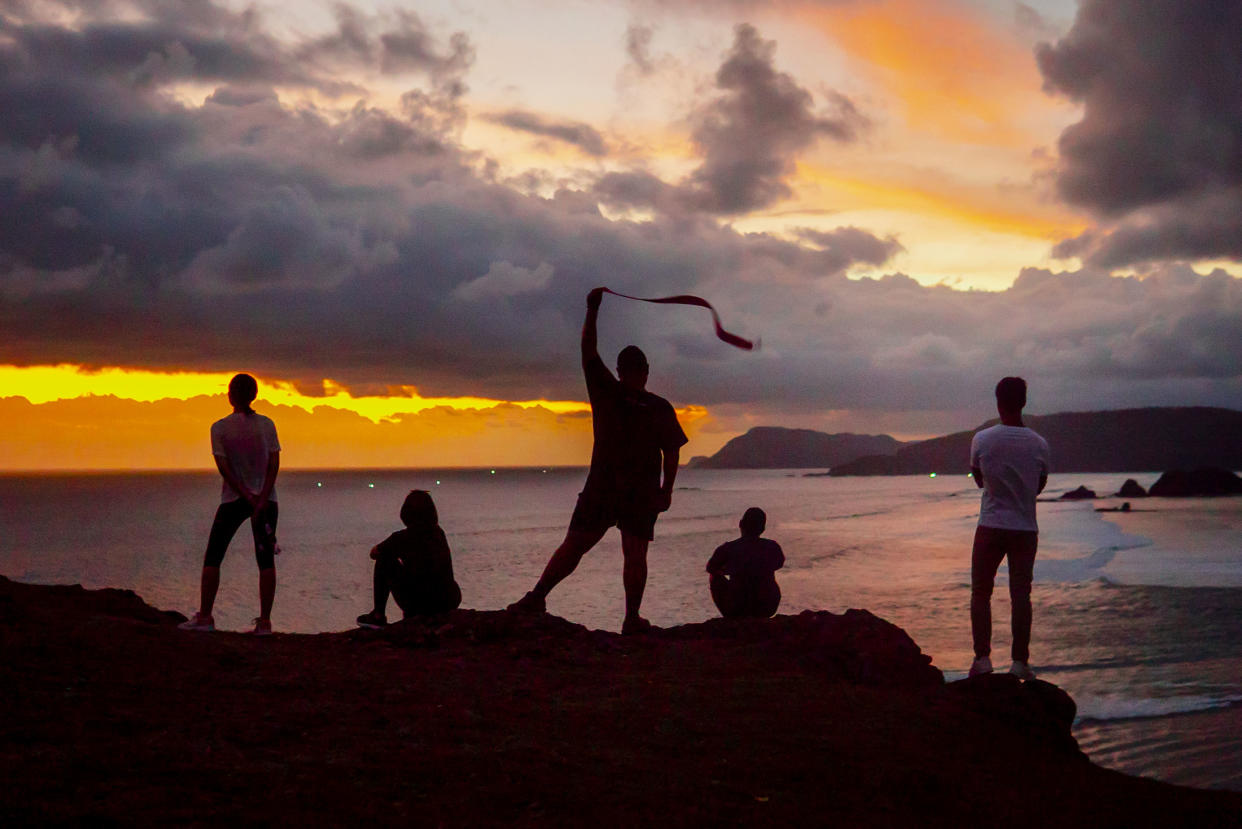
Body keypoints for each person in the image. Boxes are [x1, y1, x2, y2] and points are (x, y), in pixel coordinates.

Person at [510, 287, 688, 634]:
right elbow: (673, 451)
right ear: (644, 371)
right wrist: (667, 490)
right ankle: (630, 618)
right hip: (634, 490)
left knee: (580, 546)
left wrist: (592, 309)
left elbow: (587, 350)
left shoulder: (610, 392)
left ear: (621, 370)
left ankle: (539, 597)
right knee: (628, 553)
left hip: (608, 487)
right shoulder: (654, 405)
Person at [179, 373, 281, 635]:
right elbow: (273, 464)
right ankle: (265, 623)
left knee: (214, 554)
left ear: (230, 395)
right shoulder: (267, 424)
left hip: (234, 499)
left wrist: (247, 496)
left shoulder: (220, 428)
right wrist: (260, 498)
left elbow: (224, 469)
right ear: (254, 395)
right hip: (266, 500)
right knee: (266, 559)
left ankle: (205, 617)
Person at [968, 376, 1050, 680]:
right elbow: (1039, 485)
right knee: (1021, 595)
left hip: (990, 524)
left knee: (981, 592)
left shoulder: (982, 439)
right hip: (1025, 528)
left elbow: (979, 479)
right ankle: (1019, 662)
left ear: (998, 402)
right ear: (1024, 402)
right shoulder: (1039, 444)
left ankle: (983, 659)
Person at [357, 490, 461, 627]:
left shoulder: (401, 538)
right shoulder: (438, 533)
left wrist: (394, 551)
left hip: (421, 603)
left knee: (384, 558)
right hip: (448, 600)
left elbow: (374, 553)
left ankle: (378, 614)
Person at [706, 507, 784, 618]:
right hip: (768, 605)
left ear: (740, 524)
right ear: (762, 528)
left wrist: (732, 569)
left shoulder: (727, 548)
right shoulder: (772, 546)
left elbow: (711, 568)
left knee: (715, 577)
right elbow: (778, 563)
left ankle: (730, 616)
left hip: (738, 606)